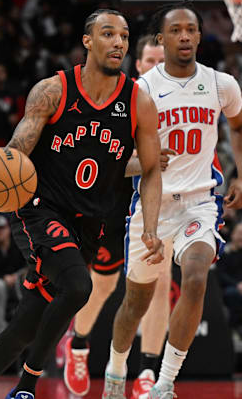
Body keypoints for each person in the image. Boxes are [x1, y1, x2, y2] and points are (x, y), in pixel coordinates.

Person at [0, 8, 163, 399]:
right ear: (87, 41)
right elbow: (18, 150)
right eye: (108, 34)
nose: (119, 43)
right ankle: (27, 388)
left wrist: (152, 226)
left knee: (27, 324)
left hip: (90, 222)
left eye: (124, 36)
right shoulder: (53, 90)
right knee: (78, 287)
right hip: (41, 210)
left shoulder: (138, 101)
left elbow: (149, 170)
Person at [103, 0, 242, 399]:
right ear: (161, 39)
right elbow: (116, 160)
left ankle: (165, 382)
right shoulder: (140, 91)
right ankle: (116, 372)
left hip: (201, 200)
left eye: (191, 29)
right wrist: (141, 160)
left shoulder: (222, 83)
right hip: (151, 204)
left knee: (198, 274)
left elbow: (239, 126)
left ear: (199, 36)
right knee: (135, 303)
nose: (184, 35)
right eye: (175, 30)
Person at [63, 34, 167, 398]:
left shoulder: (186, 99)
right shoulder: (124, 100)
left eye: (163, 61)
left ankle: (148, 373)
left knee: (160, 286)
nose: (158, 67)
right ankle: (78, 344)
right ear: (138, 66)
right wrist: (144, 162)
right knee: (103, 285)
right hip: (116, 204)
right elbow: (104, 159)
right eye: (151, 61)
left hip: (161, 206)